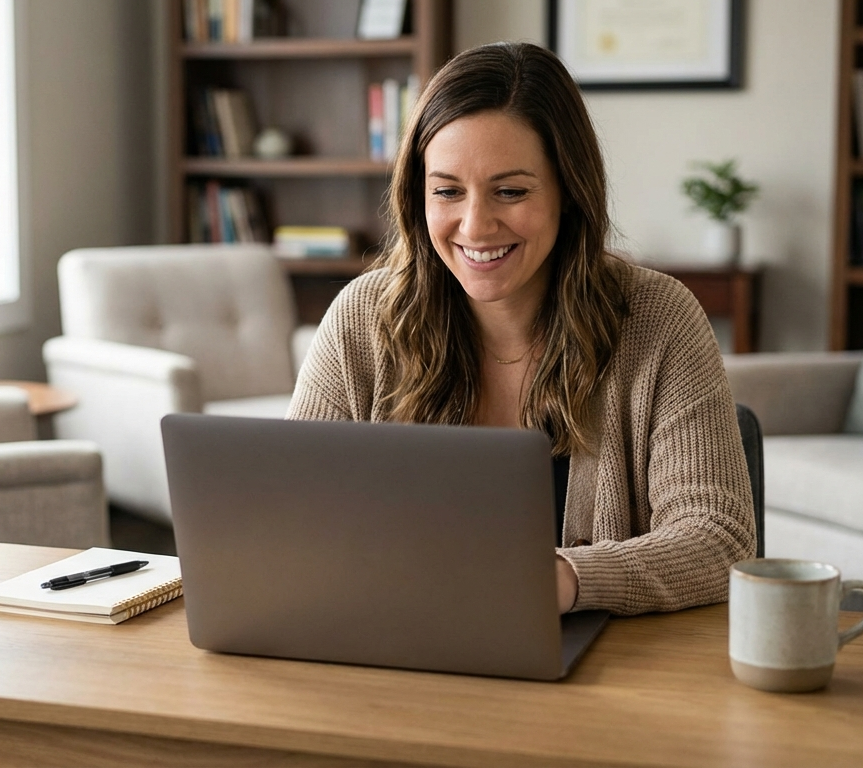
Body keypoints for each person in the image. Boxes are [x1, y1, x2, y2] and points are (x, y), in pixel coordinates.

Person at [287, 42, 756, 616]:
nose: (475, 226)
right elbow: (293, 514)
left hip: (600, 662)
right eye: (447, 191)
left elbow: (718, 537)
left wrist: (562, 580)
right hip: (398, 647)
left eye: (510, 191)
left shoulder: (659, 319)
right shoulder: (362, 319)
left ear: (569, 192)